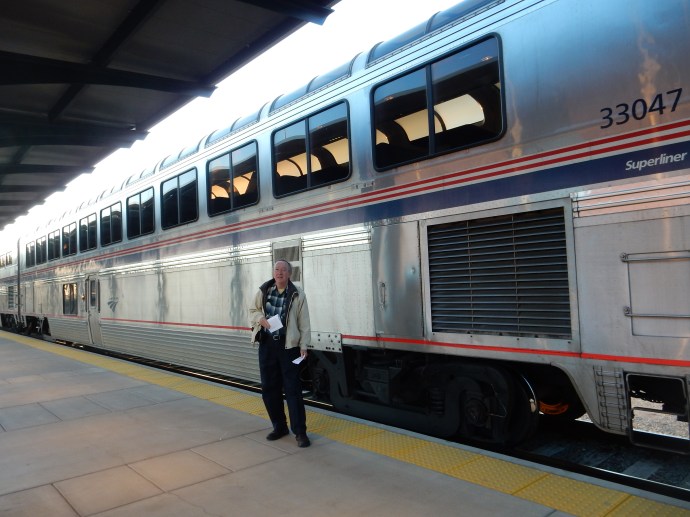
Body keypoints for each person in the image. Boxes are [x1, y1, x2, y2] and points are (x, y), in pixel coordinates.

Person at [249, 259, 311, 447]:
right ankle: (279, 426)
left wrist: (304, 345)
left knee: (293, 390)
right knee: (269, 389)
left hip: (288, 347)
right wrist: (261, 319)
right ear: (273, 272)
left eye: (284, 270)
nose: (280, 272)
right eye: (277, 269)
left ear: (289, 274)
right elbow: (252, 310)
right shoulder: (264, 290)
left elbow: (304, 322)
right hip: (267, 345)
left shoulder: (298, 294)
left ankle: (300, 432)